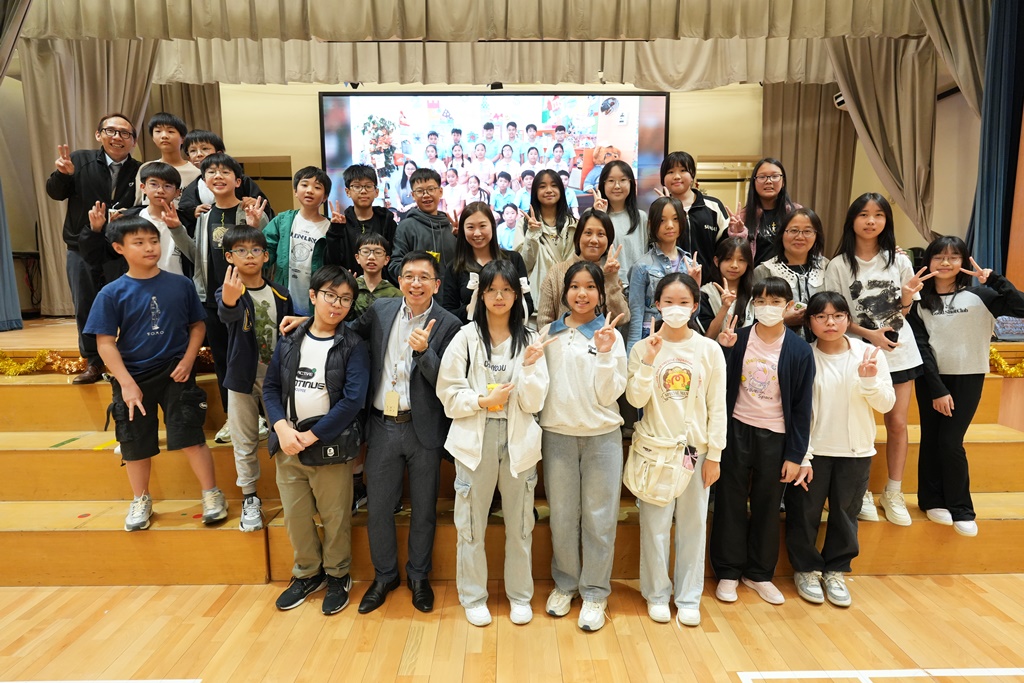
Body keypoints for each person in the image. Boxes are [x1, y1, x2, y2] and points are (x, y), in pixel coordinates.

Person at [83, 216, 226, 531]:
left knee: (190, 436)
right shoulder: (111, 293)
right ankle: (141, 499)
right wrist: (127, 384)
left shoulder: (181, 284)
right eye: (139, 243)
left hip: (176, 372)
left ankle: (211, 493)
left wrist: (188, 360)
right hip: (133, 378)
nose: (149, 248)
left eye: (153, 241)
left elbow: (197, 325)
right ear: (119, 248)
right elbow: (105, 343)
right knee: (134, 443)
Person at [436, 259, 552, 627]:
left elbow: (534, 402)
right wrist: (482, 401)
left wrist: (530, 366)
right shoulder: (465, 338)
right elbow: (447, 393)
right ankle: (473, 597)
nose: (499, 297)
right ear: (481, 295)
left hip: (519, 441)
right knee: (470, 526)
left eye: (506, 290)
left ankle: (520, 596)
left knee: (520, 525)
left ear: (517, 295)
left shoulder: (530, 340)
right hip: (475, 440)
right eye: (491, 290)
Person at [348, 251, 461, 615]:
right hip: (382, 423)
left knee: (424, 509)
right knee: (379, 508)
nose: (416, 283)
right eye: (409, 276)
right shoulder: (381, 310)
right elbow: (348, 334)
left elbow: (449, 380)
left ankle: (418, 576)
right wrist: (308, 320)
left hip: (423, 427)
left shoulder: (449, 323)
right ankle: (384, 576)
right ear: (399, 281)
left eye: (424, 277)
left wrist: (424, 353)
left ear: (436, 285)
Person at [263, 266, 370, 615]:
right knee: (295, 517)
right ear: (313, 296)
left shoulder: (353, 345)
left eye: (345, 299)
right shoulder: (291, 338)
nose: (336, 304)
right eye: (330, 296)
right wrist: (281, 428)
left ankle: (338, 575)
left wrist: (311, 435)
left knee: (335, 517)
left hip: (330, 445)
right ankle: (307, 573)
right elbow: (271, 388)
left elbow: (352, 401)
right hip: (288, 444)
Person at [626, 273, 726, 626]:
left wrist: (715, 455)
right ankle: (656, 594)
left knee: (693, 526)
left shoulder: (709, 350)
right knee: (654, 527)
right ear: (656, 305)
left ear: (695, 306)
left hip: (695, 453)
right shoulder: (642, 348)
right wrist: (649, 360)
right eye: (668, 302)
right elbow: (635, 399)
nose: (676, 308)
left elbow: (717, 406)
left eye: (684, 302)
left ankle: (688, 597)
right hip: (656, 450)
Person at [907, 236, 1024, 537]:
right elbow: (922, 348)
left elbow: (1021, 307)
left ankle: (961, 508)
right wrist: (937, 389)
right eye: (939, 257)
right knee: (932, 439)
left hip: (968, 376)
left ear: (963, 262)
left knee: (950, 441)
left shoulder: (982, 295)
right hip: (931, 378)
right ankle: (931, 501)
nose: (946, 263)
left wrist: (995, 280)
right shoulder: (919, 301)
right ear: (928, 262)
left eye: (953, 257)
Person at [824, 193, 928, 526]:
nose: (871, 221)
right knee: (859, 423)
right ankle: (862, 490)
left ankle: (893, 491)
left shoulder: (899, 261)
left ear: (886, 221)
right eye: (864, 214)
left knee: (897, 423)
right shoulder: (838, 265)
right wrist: (869, 334)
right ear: (852, 220)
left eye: (879, 214)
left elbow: (905, 311)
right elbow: (835, 314)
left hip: (899, 352)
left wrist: (907, 298)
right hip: (857, 353)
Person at [786, 291, 895, 607]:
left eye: (837, 316)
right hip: (813, 453)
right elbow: (796, 412)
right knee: (803, 513)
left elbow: (886, 404)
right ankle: (806, 570)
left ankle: (835, 570)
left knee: (846, 516)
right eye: (821, 316)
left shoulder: (868, 354)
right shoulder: (804, 355)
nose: (830, 322)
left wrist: (869, 381)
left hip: (855, 451)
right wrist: (802, 454)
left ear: (848, 319)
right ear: (810, 322)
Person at [711, 276, 814, 606]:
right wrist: (724, 349)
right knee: (730, 501)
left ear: (789, 306)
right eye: (761, 301)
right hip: (737, 430)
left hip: (777, 436)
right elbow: (717, 384)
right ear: (753, 304)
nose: (768, 307)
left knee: (768, 506)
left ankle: (759, 574)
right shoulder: (738, 338)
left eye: (776, 301)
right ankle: (728, 571)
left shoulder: (799, 350)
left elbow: (802, 406)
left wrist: (796, 454)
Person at [540, 261, 627, 632]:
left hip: (602, 437)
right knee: (562, 516)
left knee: (599, 518)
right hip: (557, 434)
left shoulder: (610, 335)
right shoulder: (548, 333)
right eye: (574, 286)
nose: (582, 293)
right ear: (565, 292)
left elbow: (611, 394)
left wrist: (605, 353)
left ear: (600, 293)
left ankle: (594, 592)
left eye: (590, 286)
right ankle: (565, 584)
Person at [175, 153, 270, 444]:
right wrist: (175, 228)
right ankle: (233, 417)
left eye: (225, 171)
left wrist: (257, 223)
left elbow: (262, 249)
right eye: (212, 172)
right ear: (204, 181)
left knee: (254, 357)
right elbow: (195, 254)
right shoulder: (204, 217)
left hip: (248, 298)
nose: (218, 176)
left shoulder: (250, 210)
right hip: (213, 300)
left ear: (238, 181)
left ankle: (262, 415)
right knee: (223, 360)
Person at [46, 112, 142, 384]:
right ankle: (93, 361)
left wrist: (126, 214)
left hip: (121, 248)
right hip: (80, 245)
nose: (117, 137)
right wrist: (62, 175)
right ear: (99, 135)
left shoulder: (140, 170)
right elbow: (55, 193)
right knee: (86, 304)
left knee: (127, 305)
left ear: (133, 141)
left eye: (125, 133)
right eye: (111, 131)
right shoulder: (79, 160)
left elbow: (146, 204)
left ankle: (129, 360)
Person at [216, 225, 293, 532]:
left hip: (277, 379)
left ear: (266, 256)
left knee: (286, 435)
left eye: (255, 250)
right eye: (241, 251)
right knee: (244, 440)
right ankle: (250, 497)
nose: (249, 256)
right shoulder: (229, 292)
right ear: (229, 257)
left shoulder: (280, 293)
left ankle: (293, 493)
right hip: (241, 378)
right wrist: (230, 300)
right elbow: (227, 315)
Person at [80, 162, 188, 283]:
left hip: (177, 284)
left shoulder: (187, 221)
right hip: (137, 286)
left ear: (178, 192)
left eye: (167, 186)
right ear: (143, 188)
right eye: (154, 184)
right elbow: (99, 256)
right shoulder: (128, 219)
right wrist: (95, 230)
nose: (160, 190)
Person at [442, 201, 533, 324]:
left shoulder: (513, 259)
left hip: (508, 332)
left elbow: (528, 306)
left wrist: (500, 306)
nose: (477, 233)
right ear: (463, 230)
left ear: (493, 225)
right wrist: (469, 308)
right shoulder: (455, 267)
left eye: (482, 226)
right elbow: (448, 313)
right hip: (471, 333)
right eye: (470, 227)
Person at [627, 197, 696, 355]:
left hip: (682, 340)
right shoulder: (642, 266)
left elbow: (694, 314)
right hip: (651, 338)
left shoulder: (691, 265)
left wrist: (695, 284)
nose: (670, 225)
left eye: (675, 219)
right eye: (662, 220)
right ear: (651, 224)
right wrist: (631, 357)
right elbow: (636, 315)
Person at [537, 208, 628, 328]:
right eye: (588, 233)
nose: (594, 240)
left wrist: (610, 279)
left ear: (608, 240)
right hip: (561, 339)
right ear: (578, 236)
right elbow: (544, 321)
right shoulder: (556, 272)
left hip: (600, 339)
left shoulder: (609, 275)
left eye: (601, 234)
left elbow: (621, 319)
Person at [752, 208, 829, 339]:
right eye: (793, 230)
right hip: (777, 344)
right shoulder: (764, 271)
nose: (800, 237)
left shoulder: (827, 266)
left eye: (807, 231)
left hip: (823, 345)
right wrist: (782, 319)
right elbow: (752, 317)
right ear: (782, 234)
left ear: (817, 236)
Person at [177, 130, 274, 232]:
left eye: (205, 148)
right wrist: (193, 213)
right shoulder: (191, 188)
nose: (199, 154)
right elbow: (184, 215)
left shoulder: (243, 181)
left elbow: (264, 209)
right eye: (193, 151)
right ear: (189, 158)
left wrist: (255, 202)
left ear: (219, 153)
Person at [387, 169, 458, 296]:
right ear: (413, 195)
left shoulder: (451, 227)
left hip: (451, 300)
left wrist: (461, 239)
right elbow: (395, 265)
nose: (426, 195)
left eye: (431, 189)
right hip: (418, 298)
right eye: (420, 191)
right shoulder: (406, 227)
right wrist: (417, 277)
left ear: (440, 191)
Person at [658, 151, 729, 273]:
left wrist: (736, 233)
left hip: (708, 281)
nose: (677, 176)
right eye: (670, 172)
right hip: (672, 281)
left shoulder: (713, 206)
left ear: (692, 176)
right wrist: (665, 209)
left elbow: (726, 247)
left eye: (683, 170)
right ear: (663, 179)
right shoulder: (658, 210)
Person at [324, 164, 397, 279]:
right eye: (357, 186)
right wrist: (335, 231)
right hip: (348, 286)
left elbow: (394, 257)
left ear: (376, 192)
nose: (363, 191)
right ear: (348, 192)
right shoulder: (340, 224)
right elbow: (331, 262)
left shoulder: (387, 222)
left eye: (368, 186)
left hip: (382, 286)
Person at [513, 169, 577, 300]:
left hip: (567, 297)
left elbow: (576, 263)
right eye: (542, 186)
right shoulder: (524, 224)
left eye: (554, 185)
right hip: (537, 297)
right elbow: (523, 265)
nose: (549, 190)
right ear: (535, 191)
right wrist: (532, 234)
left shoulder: (573, 224)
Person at [730, 158, 801, 267]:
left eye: (775, 176)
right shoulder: (743, 217)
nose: (768, 181)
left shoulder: (796, 213)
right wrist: (737, 234)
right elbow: (735, 256)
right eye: (762, 177)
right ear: (754, 182)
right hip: (756, 276)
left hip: (790, 275)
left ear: (783, 182)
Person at [591, 160, 648, 290]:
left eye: (623, 180)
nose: (617, 186)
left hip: (636, 287)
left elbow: (646, 255)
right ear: (603, 184)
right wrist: (599, 216)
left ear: (631, 183)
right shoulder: (591, 216)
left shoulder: (641, 217)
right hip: (602, 285)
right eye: (611, 181)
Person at [133, 112, 200, 206]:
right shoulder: (146, 168)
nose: (164, 136)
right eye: (158, 131)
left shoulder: (196, 173)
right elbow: (138, 204)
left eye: (170, 131)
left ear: (183, 138)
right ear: (153, 138)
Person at [698, 237, 754, 339]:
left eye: (741, 260)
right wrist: (725, 307)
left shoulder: (754, 294)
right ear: (716, 261)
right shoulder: (705, 293)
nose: (734, 265)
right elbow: (708, 337)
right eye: (728, 259)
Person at [352, 232, 402, 317]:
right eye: (365, 252)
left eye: (378, 252)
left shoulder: (395, 294)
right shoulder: (351, 289)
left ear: (386, 260)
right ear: (357, 258)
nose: (371, 257)